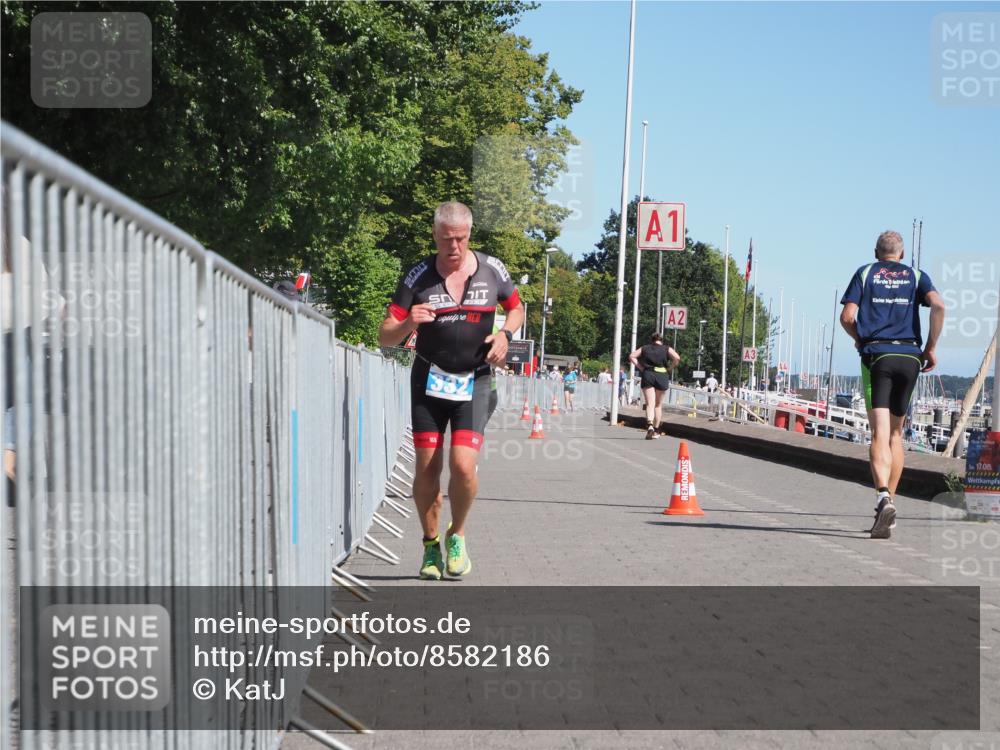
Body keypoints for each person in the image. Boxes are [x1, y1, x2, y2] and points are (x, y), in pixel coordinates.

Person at [378, 201, 523, 578]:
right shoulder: (417, 277)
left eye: (459, 239)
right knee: (427, 467)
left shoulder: (493, 270)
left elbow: (518, 309)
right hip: (429, 380)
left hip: (476, 379)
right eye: (446, 240)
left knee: (462, 464)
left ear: (470, 234)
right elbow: (385, 336)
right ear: (435, 235)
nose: (453, 247)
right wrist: (409, 321)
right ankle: (429, 547)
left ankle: (457, 534)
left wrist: (505, 334)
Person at [840, 230, 944, 539]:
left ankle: (882, 496)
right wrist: (931, 347)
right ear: (902, 253)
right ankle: (889, 509)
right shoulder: (916, 274)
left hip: (878, 356)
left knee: (880, 433)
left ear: (876, 252)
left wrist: (860, 340)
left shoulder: (865, 272)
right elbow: (938, 306)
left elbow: (848, 316)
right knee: (897, 436)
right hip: (910, 357)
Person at [629, 333, 680, 439]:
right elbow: (677, 358)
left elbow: (632, 356)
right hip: (662, 375)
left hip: (648, 374)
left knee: (649, 404)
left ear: (652, 340)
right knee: (658, 405)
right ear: (661, 340)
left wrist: (641, 367)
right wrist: (670, 368)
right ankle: (656, 430)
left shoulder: (645, 348)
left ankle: (650, 425)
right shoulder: (667, 348)